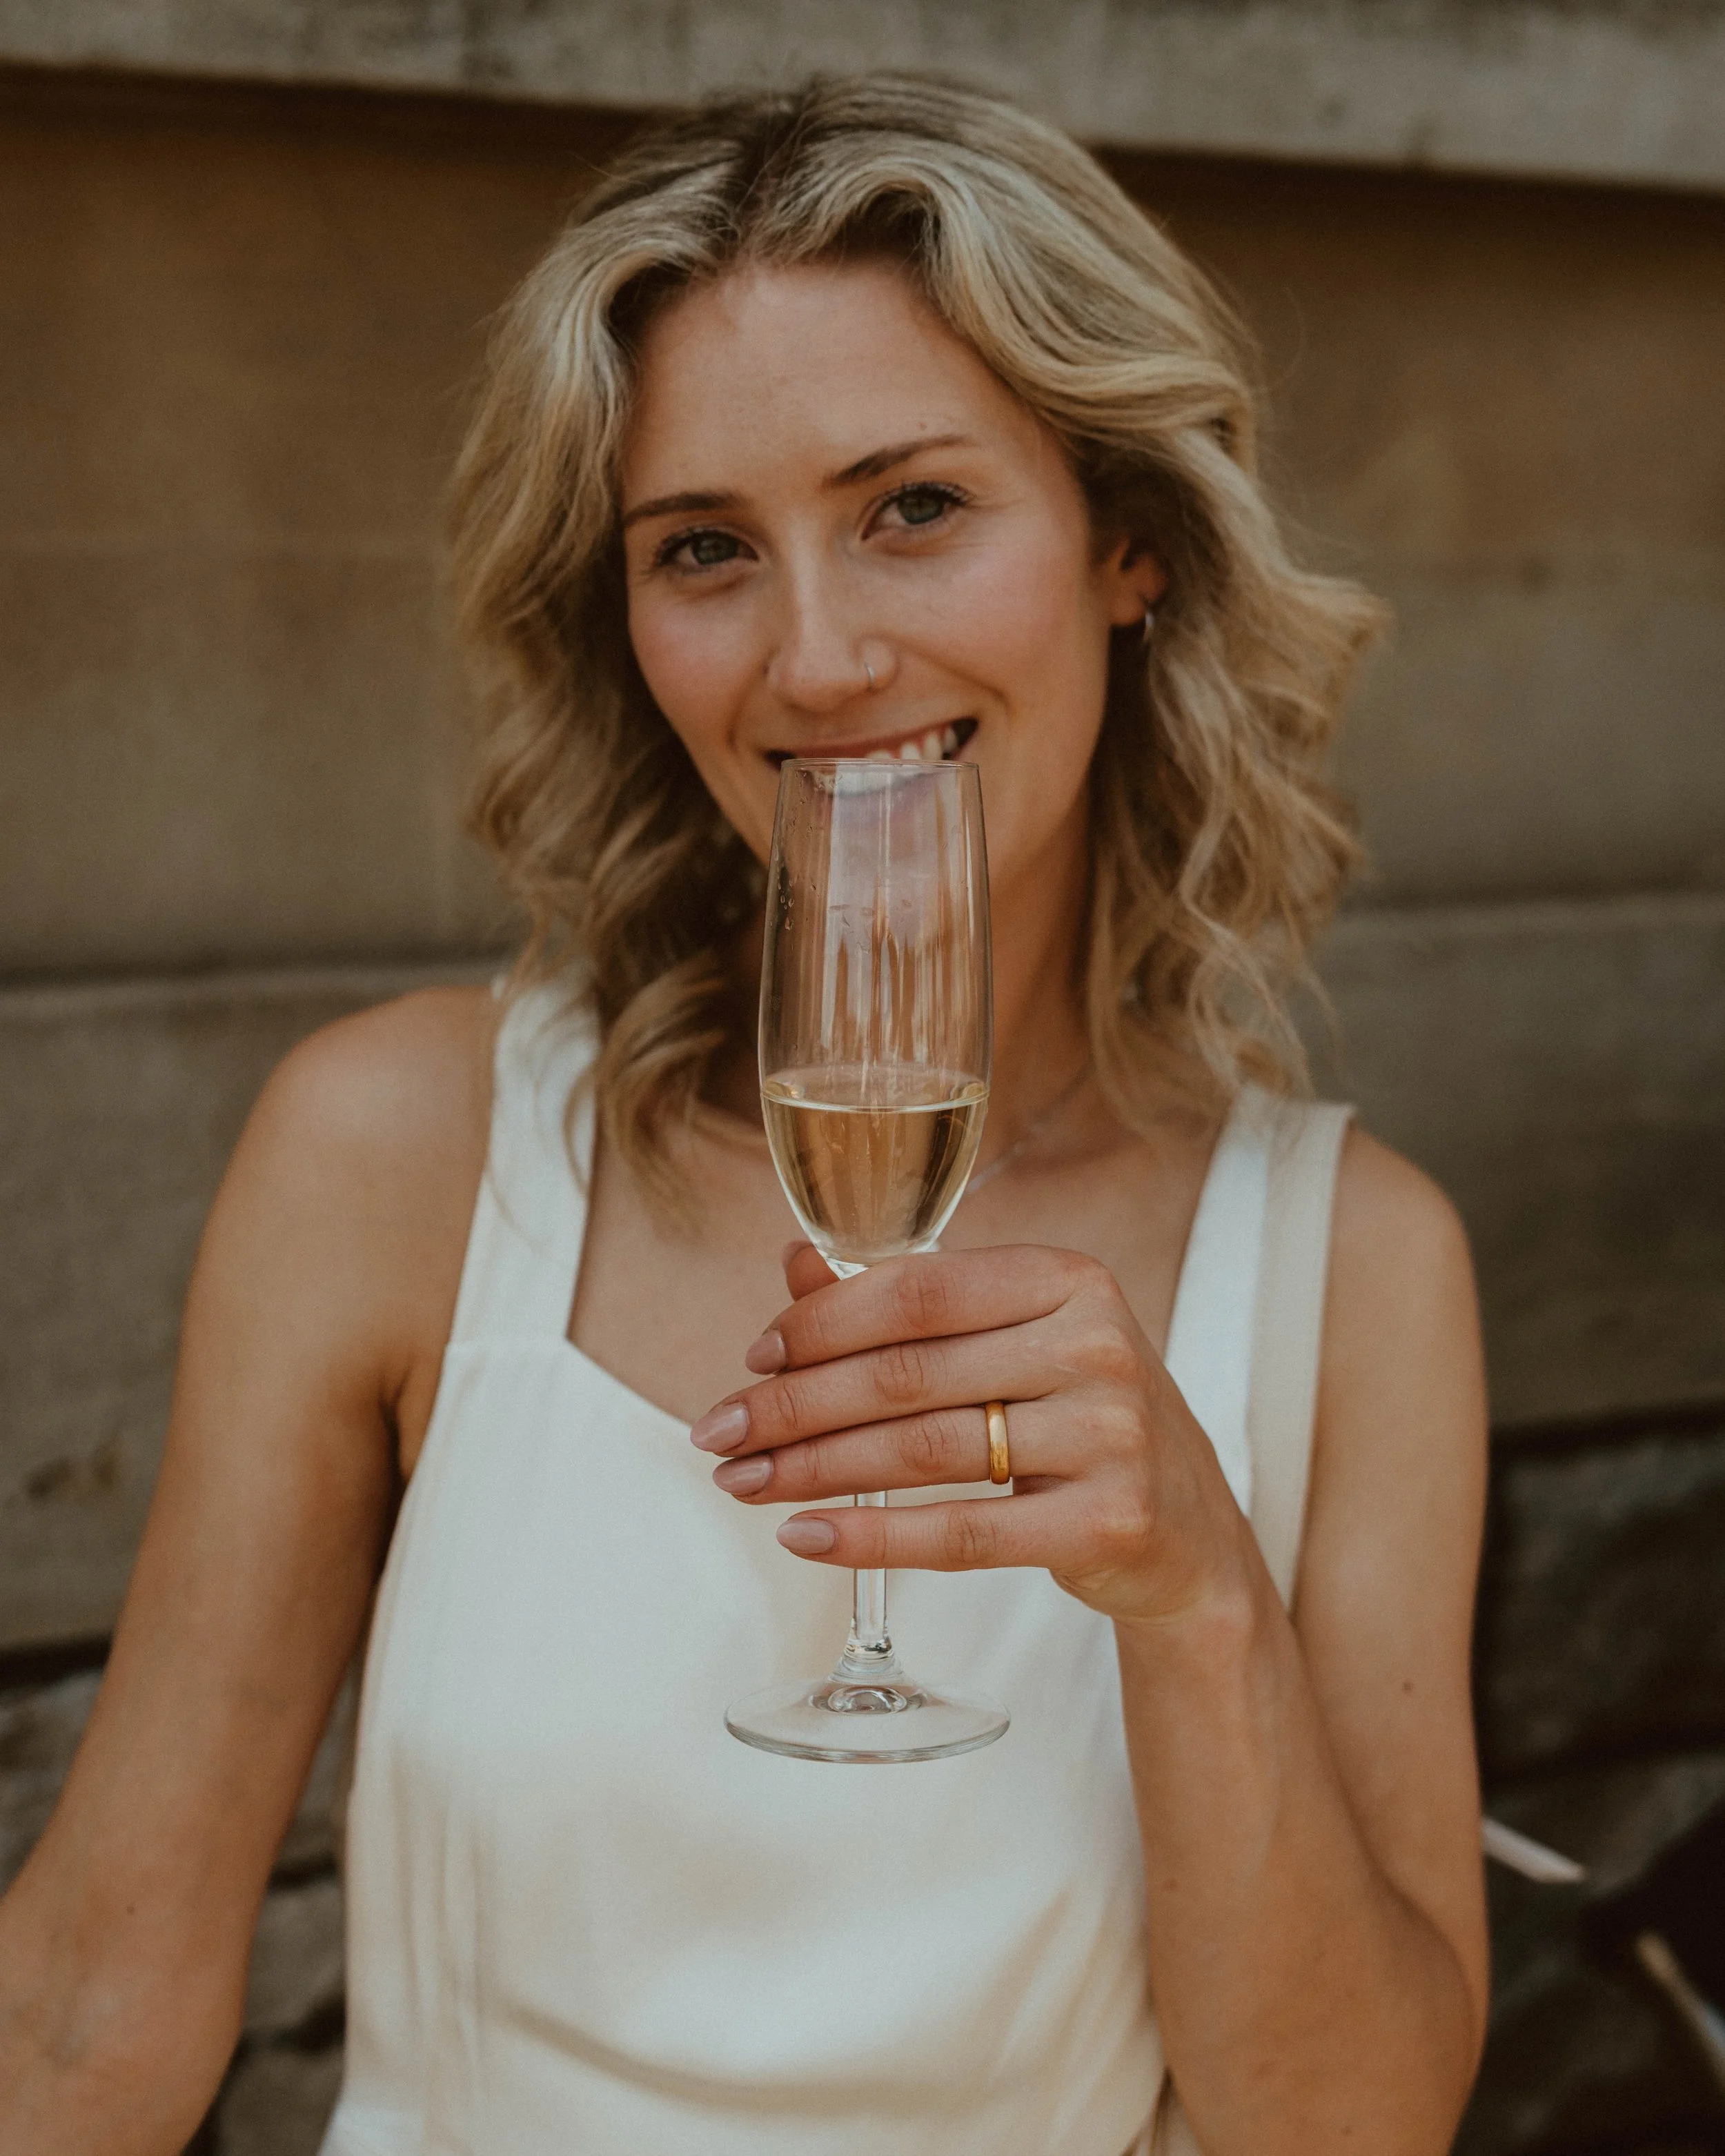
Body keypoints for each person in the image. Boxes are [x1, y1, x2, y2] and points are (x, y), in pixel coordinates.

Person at [0, 73, 1490, 2155]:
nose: (815, 655)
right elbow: (85, 2012)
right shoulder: (394, 1152)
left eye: (911, 507)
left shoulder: (1358, 1269)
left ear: (1124, 541)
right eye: (704, 547)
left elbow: (1351, 2128)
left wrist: (1195, 1595)